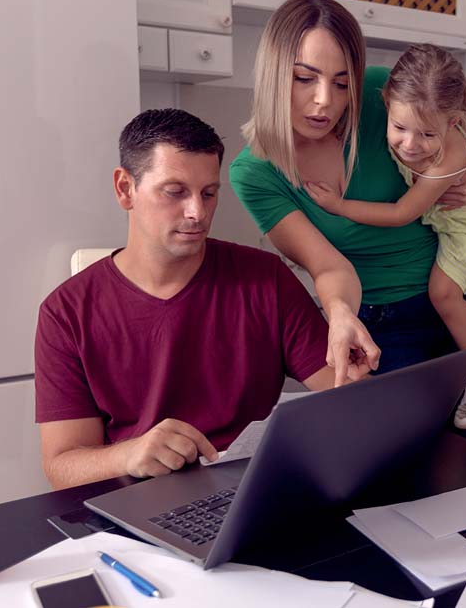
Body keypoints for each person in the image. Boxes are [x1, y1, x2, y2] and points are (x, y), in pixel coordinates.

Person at [230, 0, 466, 448]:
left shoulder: (381, 96)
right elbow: (326, 265)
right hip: (383, 330)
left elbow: (465, 123)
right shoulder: (256, 173)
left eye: (342, 83)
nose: (325, 101)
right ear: (273, 73)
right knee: (394, 484)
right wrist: (339, 313)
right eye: (305, 78)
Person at [34, 109, 365, 490]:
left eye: (209, 193)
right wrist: (130, 453)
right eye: (175, 192)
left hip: (254, 492)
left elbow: (346, 392)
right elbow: (61, 468)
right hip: (138, 502)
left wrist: (361, 377)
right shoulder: (65, 313)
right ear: (125, 189)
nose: (198, 212)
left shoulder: (266, 279)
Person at [304, 44, 466, 430]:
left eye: (427, 133)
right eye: (399, 128)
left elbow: (402, 213)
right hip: (446, 227)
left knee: (443, 294)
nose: (410, 145)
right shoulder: (408, 104)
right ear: (386, 104)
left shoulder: (448, 156)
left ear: (453, 122)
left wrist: (339, 206)